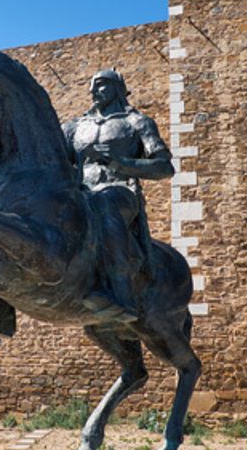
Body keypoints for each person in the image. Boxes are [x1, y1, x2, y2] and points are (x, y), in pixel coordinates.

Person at [63, 69, 174, 321]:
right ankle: (2, 304)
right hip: (81, 193)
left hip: (120, 192)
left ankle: (122, 294)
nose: (94, 91)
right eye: (91, 86)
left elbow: (164, 168)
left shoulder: (137, 123)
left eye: (101, 85)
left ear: (117, 88)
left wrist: (120, 163)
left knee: (103, 203)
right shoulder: (74, 128)